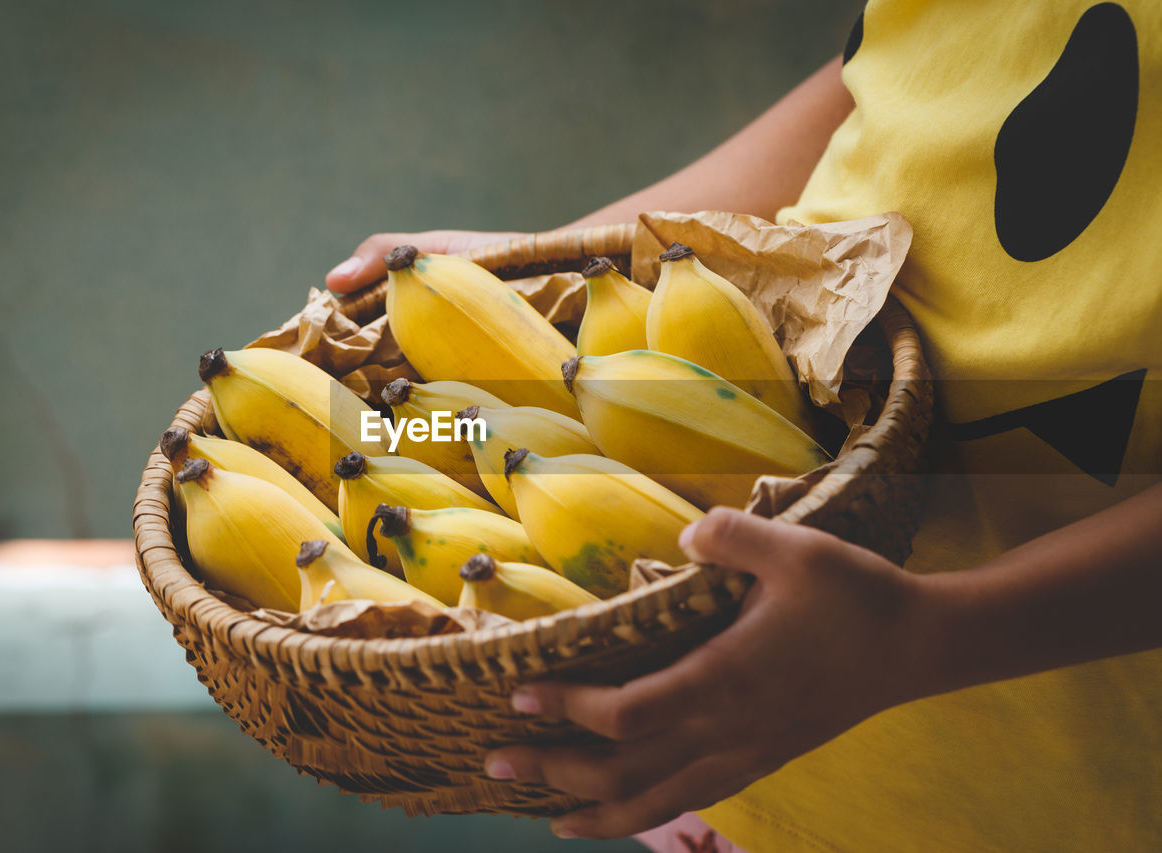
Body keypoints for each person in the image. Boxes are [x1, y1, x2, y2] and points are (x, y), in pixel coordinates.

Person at [326, 2, 1162, 850]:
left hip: (1052, 764)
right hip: (736, 746)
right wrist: (566, 269)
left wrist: (930, 634)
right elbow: (904, 59)